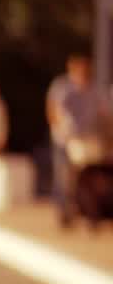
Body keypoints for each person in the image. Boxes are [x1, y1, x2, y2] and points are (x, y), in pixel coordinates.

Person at [47, 54, 106, 227]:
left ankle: (87, 212)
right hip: (64, 140)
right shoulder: (62, 87)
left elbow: (102, 112)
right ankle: (63, 213)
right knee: (63, 177)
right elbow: (53, 110)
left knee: (85, 180)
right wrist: (63, 130)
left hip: (85, 141)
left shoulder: (92, 89)